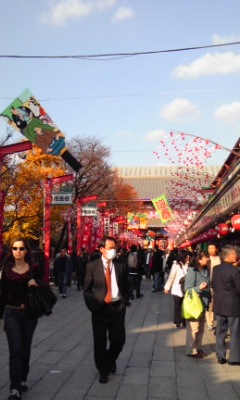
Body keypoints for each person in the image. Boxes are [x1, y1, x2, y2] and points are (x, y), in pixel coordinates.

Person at [83, 236, 131, 384]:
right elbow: (87, 289)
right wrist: (93, 305)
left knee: (119, 341)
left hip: (117, 308)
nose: (113, 251)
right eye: (110, 248)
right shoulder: (92, 266)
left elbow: (125, 284)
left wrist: (125, 301)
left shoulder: (120, 264)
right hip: (100, 309)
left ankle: (109, 360)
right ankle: (103, 371)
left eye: (114, 248)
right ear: (102, 249)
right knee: (100, 342)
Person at [0, 238, 41, 400]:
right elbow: (2, 293)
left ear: (26, 251)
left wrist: (35, 282)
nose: (18, 251)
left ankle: (23, 377)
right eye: (15, 248)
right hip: (12, 313)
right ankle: (15, 387)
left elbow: (43, 286)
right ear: (11, 251)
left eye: (21, 248)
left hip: (29, 314)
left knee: (25, 348)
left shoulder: (33, 268)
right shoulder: (6, 269)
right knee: (15, 349)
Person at [212, 245, 240, 365]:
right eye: (235, 254)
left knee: (220, 332)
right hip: (233, 305)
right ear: (228, 256)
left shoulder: (216, 269)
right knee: (235, 333)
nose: (237, 256)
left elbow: (213, 285)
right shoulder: (235, 271)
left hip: (219, 304)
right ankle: (234, 358)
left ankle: (220, 356)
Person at [184, 251, 210, 358]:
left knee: (201, 328)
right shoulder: (192, 271)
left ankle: (198, 348)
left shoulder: (206, 270)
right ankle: (191, 350)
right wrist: (199, 288)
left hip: (203, 303)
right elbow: (187, 289)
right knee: (193, 328)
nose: (208, 259)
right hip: (194, 304)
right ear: (199, 260)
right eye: (205, 257)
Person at [164, 251, 190, 328]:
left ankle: (184, 321)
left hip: (186, 288)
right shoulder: (176, 265)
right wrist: (167, 287)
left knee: (185, 305)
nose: (188, 259)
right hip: (177, 288)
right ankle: (178, 321)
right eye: (186, 257)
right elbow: (171, 277)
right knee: (177, 306)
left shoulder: (189, 265)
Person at [205, 242, 221, 330]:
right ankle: (210, 322)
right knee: (209, 304)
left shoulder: (220, 259)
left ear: (216, 249)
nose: (211, 250)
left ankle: (220, 322)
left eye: (212, 248)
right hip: (209, 284)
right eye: (209, 248)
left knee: (219, 304)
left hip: (220, 284)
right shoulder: (207, 259)